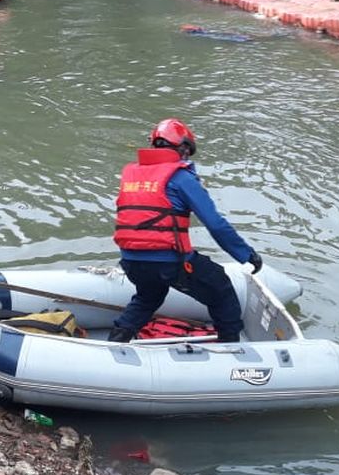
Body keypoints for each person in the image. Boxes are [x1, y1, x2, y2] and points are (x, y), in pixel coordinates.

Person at [109, 118, 263, 344]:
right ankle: (232, 349)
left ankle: (115, 341)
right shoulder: (180, 176)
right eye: (187, 152)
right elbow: (216, 224)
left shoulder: (132, 174)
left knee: (148, 297)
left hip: (131, 260)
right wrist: (246, 255)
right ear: (182, 148)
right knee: (221, 290)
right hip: (169, 262)